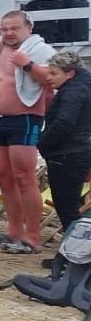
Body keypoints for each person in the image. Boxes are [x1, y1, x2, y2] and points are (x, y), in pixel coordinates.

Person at [0, 11, 56, 254]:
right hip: (0, 120)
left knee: (24, 177)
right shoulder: (5, 49)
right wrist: (3, 24)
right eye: (5, 29)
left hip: (25, 118)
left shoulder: (38, 50)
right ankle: (13, 231)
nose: (8, 33)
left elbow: (52, 78)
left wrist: (27, 64)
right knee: (4, 177)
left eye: (15, 28)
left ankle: (32, 236)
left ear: (29, 27)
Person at [38, 50, 91, 231]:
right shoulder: (78, 88)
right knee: (69, 206)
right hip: (73, 152)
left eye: (54, 73)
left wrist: (43, 142)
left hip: (67, 154)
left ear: (70, 73)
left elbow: (65, 122)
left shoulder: (74, 91)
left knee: (66, 207)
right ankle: (71, 252)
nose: (49, 78)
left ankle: (74, 254)